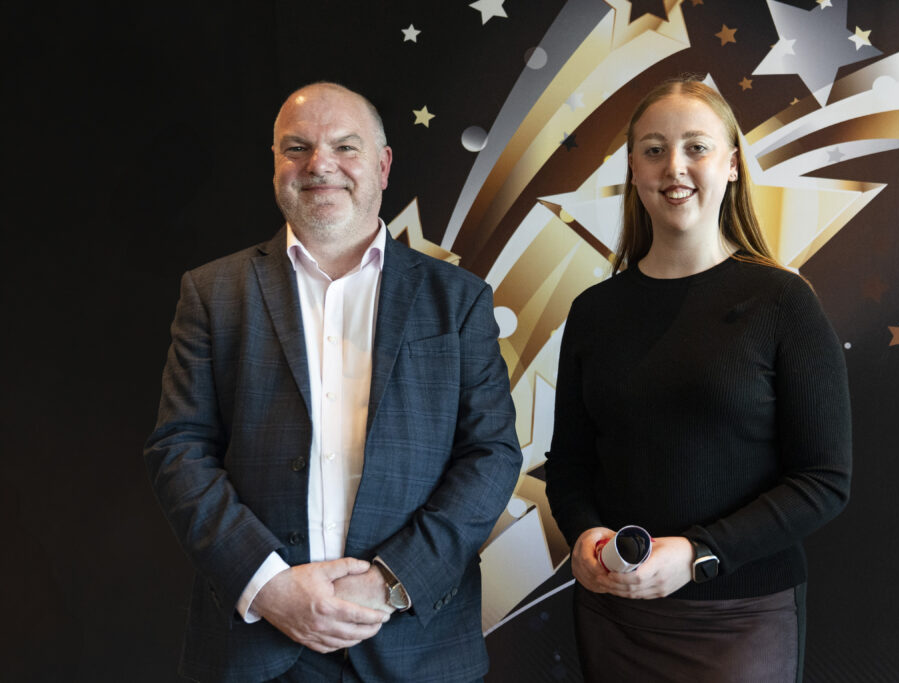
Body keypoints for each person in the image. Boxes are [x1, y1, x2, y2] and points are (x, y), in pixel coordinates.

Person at [144, 82, 522, 683]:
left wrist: (391, 582)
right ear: (276, 164)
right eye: (297, 148)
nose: (319, 164)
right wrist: (266, 585)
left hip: (415, 647)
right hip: (256, 649)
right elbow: (179, 449)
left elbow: (493, 454)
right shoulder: (213, 293)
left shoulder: (459, 300)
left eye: (345, 146)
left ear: (382, 163)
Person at [544, 76, 853, 682]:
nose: (674, 167)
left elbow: (824, 481)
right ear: (633, 170)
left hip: (741, 617)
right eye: (654, 150)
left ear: (732, 165)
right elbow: (571, 467)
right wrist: (583, 537)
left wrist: (699, 554)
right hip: (615, 617)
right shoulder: (593, 312)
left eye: (697, 147)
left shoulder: (783, 302)